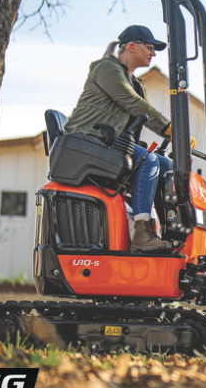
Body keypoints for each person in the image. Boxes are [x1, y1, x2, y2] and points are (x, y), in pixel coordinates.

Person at [64, 25, 175, 251]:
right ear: (131, 47)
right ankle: (142, 233)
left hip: (110, 143)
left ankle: (168, 229)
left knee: (168, 167)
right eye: (150, 47)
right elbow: (134, 105)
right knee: (147, 161)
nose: (153, 53)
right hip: (89, 139)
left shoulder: (136, 81)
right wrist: (169, 128)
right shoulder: (107, 68)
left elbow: (137, 117)